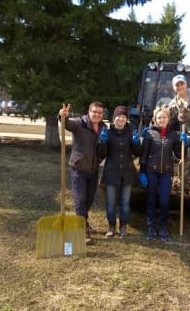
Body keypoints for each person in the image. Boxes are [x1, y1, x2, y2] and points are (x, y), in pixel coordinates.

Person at [58, 101, 107, 245]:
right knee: (80, 200)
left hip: (94, 168)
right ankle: (82, 229)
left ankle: (84, 221)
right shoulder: (80, 123)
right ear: (89, 111)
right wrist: (63, 116)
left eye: (100, 112)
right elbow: (67, 124)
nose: (97, 114)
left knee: (89, 199)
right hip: (79, 168)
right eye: (94, 112)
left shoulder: (104, 127)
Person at [139, 107, 188, 241]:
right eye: (159, 118)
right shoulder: (149, 133)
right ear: (155, 119)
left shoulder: (173, 135)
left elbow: (179, 154)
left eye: (164, 117)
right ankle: (151, 227)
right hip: (151, 171)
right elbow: (144, 155)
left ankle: (163, 226)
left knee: (164, 200)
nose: (162, 120)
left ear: (168, 119)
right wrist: (142, 172)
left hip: (166, 171)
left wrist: (184, 143)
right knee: (151, 199)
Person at [98, 106, 141, 238]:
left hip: (127, 173)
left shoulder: (130, 132)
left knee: (125, 202)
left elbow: (137, 153)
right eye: (118, 116)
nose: (121, 119)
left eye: (123, 117)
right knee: (111, 202)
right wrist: (102, 142)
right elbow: (102, 154)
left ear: (126, 119)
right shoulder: (108, 132)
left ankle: (123, 227)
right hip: (111, 172)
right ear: (114, 118)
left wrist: (136, 142)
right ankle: (111, 226)